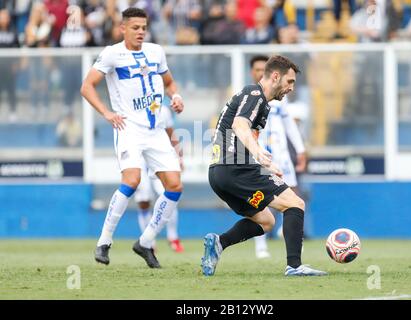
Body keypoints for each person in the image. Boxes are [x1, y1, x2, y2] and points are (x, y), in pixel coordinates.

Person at [202, 55, 326, 277]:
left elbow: (249, 135)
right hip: (235, 168)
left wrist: (265, 165)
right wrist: (259, 154)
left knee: (266, 221)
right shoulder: (255, 94)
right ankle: (295, 266)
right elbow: (240, 125)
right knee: (295, 204)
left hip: (220, 175)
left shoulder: (263, 105)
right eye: (289, 82)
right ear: (275, 76)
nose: (290, 88)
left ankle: (219, 243)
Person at [80, 7, 184, 269]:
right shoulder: (112, 54)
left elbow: (169, 82)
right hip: (129, 129)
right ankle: (104, 241)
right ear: (122, 29)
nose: (140, 32)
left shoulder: (155, 52)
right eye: (135, 27)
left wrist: (176, 96)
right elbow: (87, 86)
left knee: (174, 186)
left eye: (143, 27)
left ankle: (146, 242)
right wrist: (106, 112)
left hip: (156, 129)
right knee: (133, 180)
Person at [249, 55, 307, 259]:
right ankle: (261, 245)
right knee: (261, 200)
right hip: (261, 154)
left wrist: (300, 149)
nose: (258, 72)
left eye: (261, 69)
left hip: (281, 153)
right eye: (256, 69)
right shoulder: (251, 97)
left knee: (293, 194)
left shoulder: (281, 100)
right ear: (252, 73)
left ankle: (286, 232)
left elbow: (289, 125)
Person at [134, 104, 185, 253]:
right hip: (139, 159)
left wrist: (179, 157)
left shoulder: (162, 110)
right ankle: (149, 242)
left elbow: (171, 134)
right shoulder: (133, 108)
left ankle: (173, 237)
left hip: (158, 157)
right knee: (143, 200)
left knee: (170, 193)